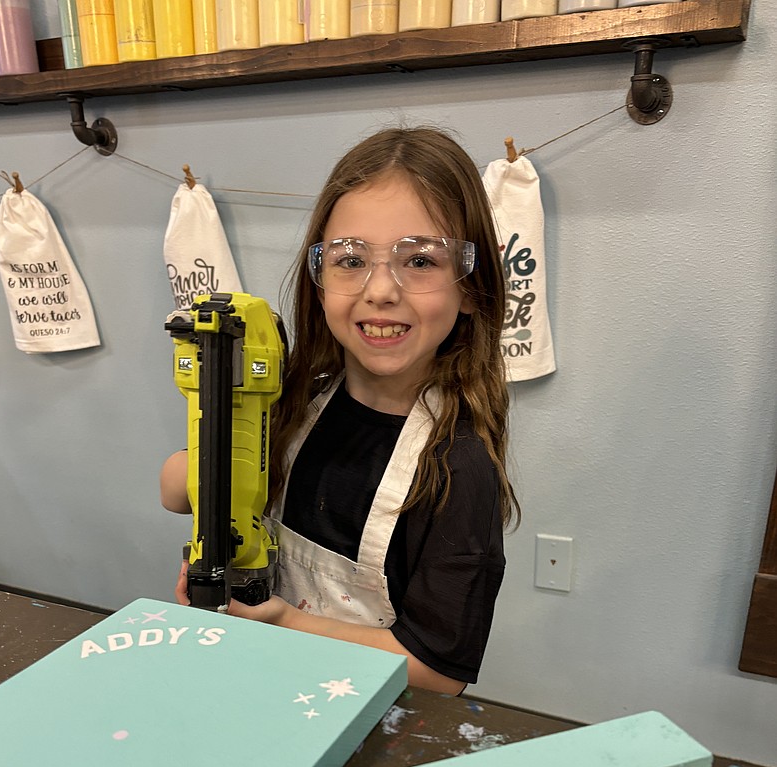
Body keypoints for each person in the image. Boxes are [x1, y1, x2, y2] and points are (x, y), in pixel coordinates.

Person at [160, 125, 519, 695]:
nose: (380, 290)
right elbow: (173, 492)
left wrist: (282, 621)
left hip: (364, 721)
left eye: (420, 260)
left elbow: (437, 671)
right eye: (351, 260)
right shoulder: (298, 402)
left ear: (471, 289)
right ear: (319, 279)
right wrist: (215, 457)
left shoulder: (457, 469)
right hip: (254, 678)